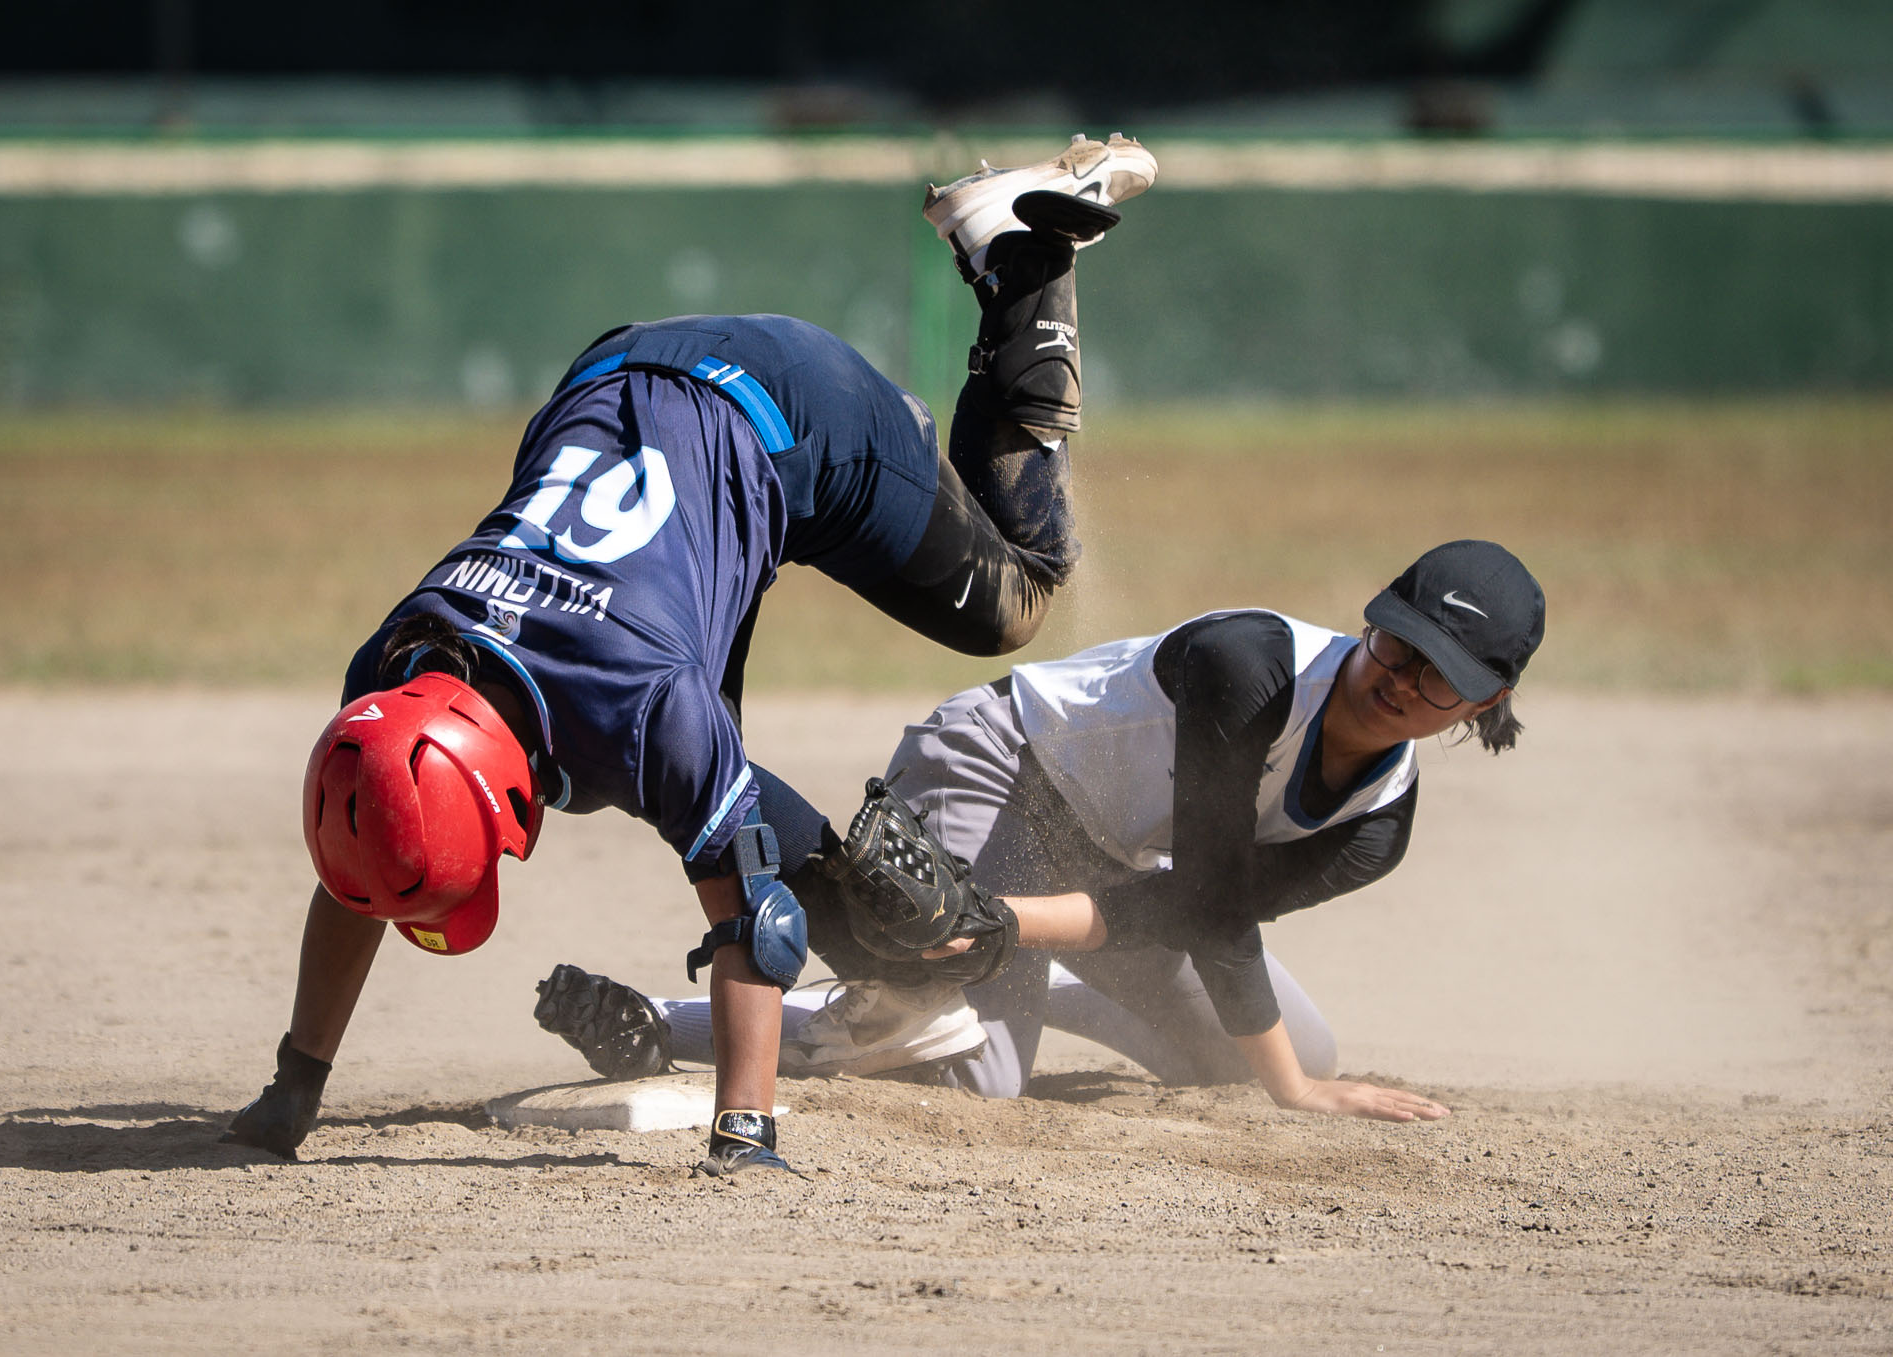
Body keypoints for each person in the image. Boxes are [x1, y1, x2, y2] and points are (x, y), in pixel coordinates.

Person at [220, 134, 1159, 1175]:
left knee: (1013, 597)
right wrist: (291, 1089)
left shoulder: (641, 704)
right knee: (721, 791)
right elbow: (366, 860)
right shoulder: (396, 677)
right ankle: (879, 957)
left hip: (788, 408)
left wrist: (741, 1134)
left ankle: (1018, 252)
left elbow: (753, 917)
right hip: (615, 378)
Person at [534, 540, 1546, 1123]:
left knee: (1280, 1050)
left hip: (1101, 866)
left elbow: (1204, 911)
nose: (1395, 679)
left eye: (1436, 676)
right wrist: (1299, 1097)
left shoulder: (1376, 826)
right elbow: (1204, 908)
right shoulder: (1253, 668)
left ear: (1482, 701)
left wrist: (1008, 929)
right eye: (1392, 642)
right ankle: (660, 1023)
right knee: (981, 1073)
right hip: (996, 764)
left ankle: (1001, 979)